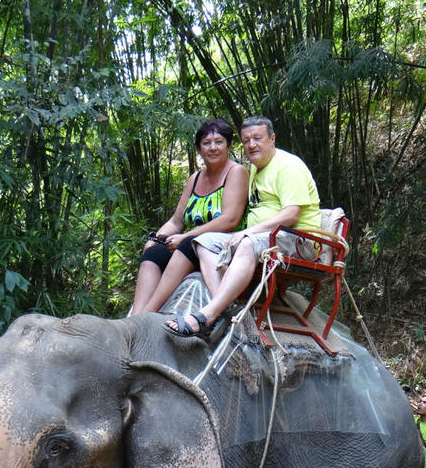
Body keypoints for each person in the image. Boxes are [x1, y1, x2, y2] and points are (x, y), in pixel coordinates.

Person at [145, 115, 322, 337]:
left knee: (247, 242)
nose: (251, 145)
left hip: (296, 238)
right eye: (246, 140)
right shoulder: (257, 168)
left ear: (272, 138)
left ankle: (208, 314)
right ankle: (223, 305)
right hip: (268, 237)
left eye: (257, 138)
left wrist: (245, 233)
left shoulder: (288, 166)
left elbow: (291, 214)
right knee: (202, 241)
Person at [130, 118, 248, 315]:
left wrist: (186, 236)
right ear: (199, 148)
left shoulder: (236, 172)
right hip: (191, 243)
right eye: (206, 143)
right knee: (153, 253)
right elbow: (177, 221)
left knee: (188, 244)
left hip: (221, 244)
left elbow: (230, 219)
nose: (213, 148)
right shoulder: (195, 178)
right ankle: (135, 315)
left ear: (228, 145)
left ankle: (146, 315)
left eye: (219, 142)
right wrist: (154, 239)